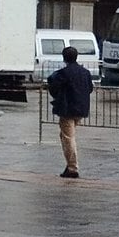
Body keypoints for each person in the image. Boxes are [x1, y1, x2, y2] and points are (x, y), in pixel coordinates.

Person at [45, 45, 96, 179]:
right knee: (65, 135)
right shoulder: (85, 72)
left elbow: (53, 88)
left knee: (68, 138)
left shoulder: (63, 73)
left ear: (64, 58)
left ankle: (72, 167)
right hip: (81, 109)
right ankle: (70, 166)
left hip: (67, 109)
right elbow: (90, 88)